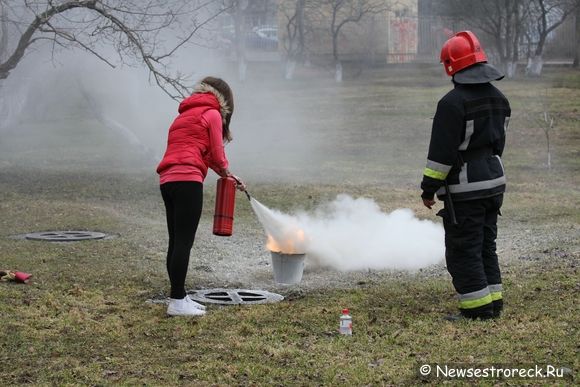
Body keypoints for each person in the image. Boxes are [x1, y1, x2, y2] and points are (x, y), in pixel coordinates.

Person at [420, 31, 511, 321]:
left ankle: (476, 309)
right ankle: (493, 300)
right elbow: (499, 144)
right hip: (495, 181)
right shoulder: (499, 98)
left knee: (463, 249)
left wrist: (428, 188)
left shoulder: (451, 103)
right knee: (485, 243)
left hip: (467, 188)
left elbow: (441, 155)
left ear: (450, 65)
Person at [156, 76, 245, 317]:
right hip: (188, 181)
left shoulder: (183, 115)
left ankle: (180, 296)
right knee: (184, 242)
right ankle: (176, 301)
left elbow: (204, 156)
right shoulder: (212, 114)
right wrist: (227, 171)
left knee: (176, 241)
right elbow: (216, 152)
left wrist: (228, 175)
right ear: (224, 100)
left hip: (168, 181)